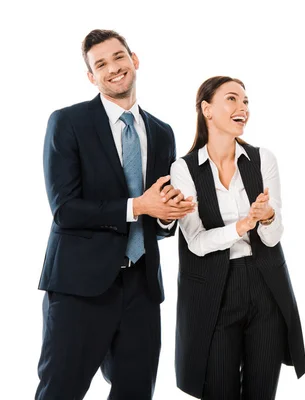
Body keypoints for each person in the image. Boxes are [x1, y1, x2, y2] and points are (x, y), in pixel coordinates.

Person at [37, 29, 195, 399]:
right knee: (61, 390)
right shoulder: (68, 122)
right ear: (91, 77)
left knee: (136, 392)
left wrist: (170, 214)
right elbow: (65, 210)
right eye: (101, 64)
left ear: (134, 60)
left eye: (118, 57)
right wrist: (139, 205)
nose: (113, 68)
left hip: (141, 287)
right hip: (79, 288)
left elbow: (156, 220)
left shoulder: (161, 132)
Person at [171, 76, 305, 399]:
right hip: (215, 289)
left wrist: (268, 217)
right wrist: (242, 226)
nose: (242, 108)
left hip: (265, 284)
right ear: (207, 109)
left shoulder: (263, 159)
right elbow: (196, 241)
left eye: (246, 102)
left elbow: (272, 238)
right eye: (232, 99)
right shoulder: (184, 169)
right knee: (218, 389)